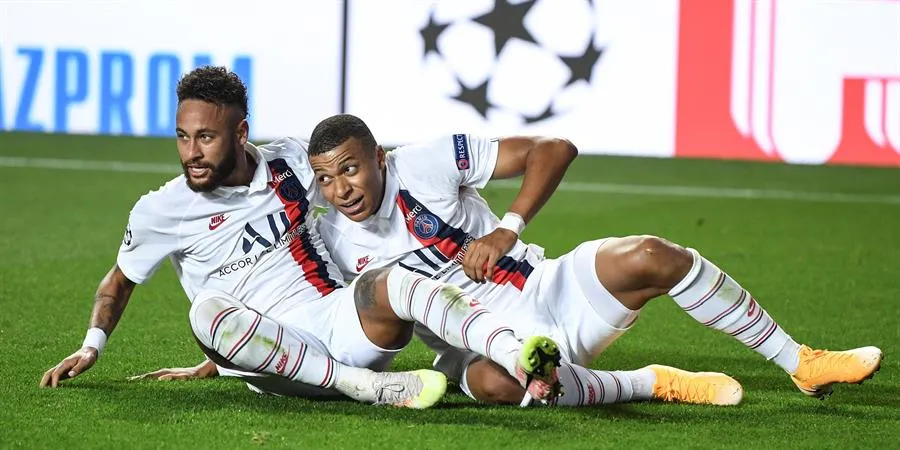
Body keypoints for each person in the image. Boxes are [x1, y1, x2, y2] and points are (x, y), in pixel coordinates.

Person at [38, 66, 565, 408]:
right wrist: (92, 347)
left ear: (241, 134)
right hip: (268, 356)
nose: (191, 152)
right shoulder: (161, 209)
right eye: (182, 136)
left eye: (205, 137)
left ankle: (518, 354)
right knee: (204, 311)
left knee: (397, 278)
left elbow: (359, 167)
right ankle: (364, 389)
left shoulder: (292, 160)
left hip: (341, 323)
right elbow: (117, 283)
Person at [305, 113, 883, 407]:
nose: (342, 190)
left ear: (378, 157)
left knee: (654, 255)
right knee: (496, 385)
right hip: (483, 349)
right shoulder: (334, 242)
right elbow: (319, 319)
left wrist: (507, 231)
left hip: (550, 287)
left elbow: (554, 150)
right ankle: (650, 382)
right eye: (327, 180)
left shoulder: (426, 162)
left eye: (351, 169)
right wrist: (231, 361)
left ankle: (800, 362)